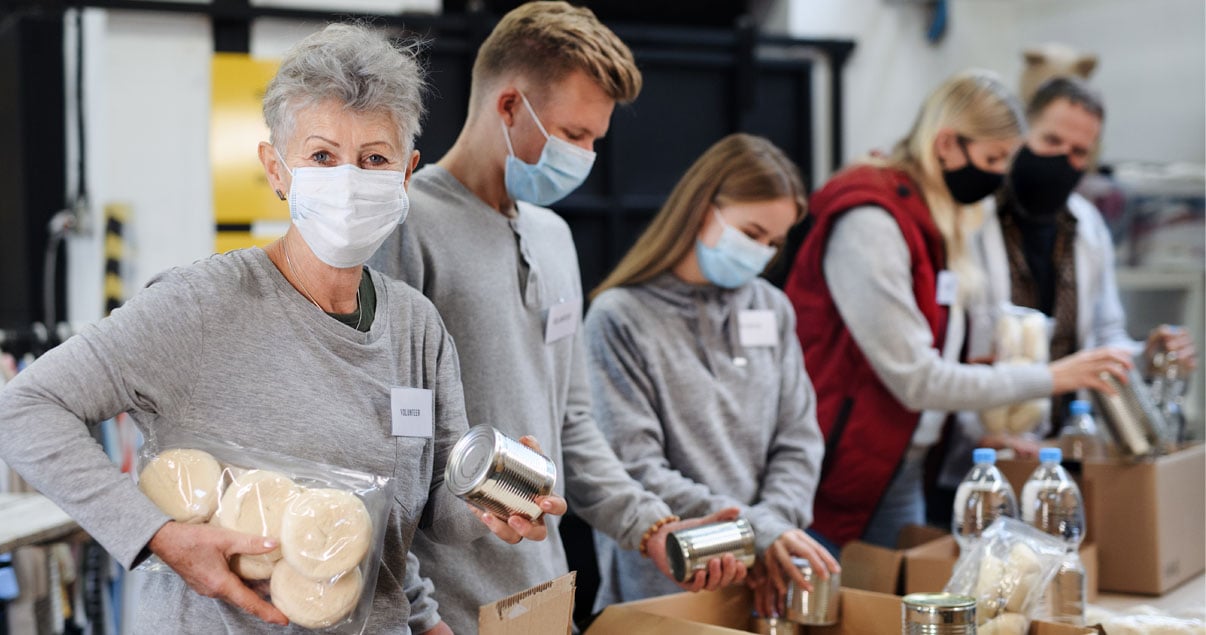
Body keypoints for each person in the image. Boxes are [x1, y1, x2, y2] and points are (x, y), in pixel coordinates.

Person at [0, 23, 564, 633]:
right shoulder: (199, 305)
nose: (349, 179)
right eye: (322, 156)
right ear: (276, 168)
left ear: (406, 174)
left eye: (374, 159)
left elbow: (432, 514)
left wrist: (493, 499)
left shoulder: (415, 326)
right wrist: (158, 536)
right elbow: (24, 409)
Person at [368, 3, 743, 632]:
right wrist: (416, 611)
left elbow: (570, 423)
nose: (587, 157)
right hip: (444, 613)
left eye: (596, 140)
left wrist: (651, 525)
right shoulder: (407, 227)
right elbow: (380, 444)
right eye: (573, 136)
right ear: (510, 106)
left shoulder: (554, 239)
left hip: (541, 597)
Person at [780, 70, 1134, 554]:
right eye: (992, 160)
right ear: (946, 145)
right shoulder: (873, 222)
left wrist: (983, 396)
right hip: (837, 464)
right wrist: (1052, 377)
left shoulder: (931, 219)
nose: (996, 179)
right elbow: (917, 378)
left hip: (900, 460)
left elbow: (938, 355)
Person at [584, 134, 838, 617]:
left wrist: (771, 533)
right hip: (667, 584)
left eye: (773, 242)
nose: (761, 252)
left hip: (766, 574)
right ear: (703, 209)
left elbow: (798, 440)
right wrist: (757, 532)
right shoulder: (620, 317)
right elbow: (634, 466)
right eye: (752, 232)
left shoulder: (771, 307)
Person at [930, 77, 1198, 516]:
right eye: (1051, 141)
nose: (1062, 160)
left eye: (1078, 153)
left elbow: (1103, 337)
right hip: (973, 456)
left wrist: (1146, 355)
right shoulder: (971, 218)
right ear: (1021, 135)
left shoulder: (1086, 225)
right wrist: (972, 432)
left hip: (1060, 455)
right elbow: (946, 349)